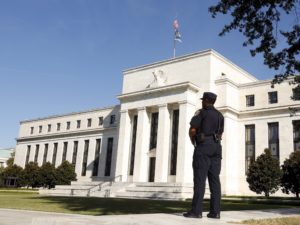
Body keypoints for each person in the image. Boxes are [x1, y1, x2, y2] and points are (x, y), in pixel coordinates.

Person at [183, 92, 224, 219]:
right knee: (215, 180)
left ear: (206, 100)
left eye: (203, 100)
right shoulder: (220, 115)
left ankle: (196, 211)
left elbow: (193, 130)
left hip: (203, 146)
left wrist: (194, 142)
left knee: (200, 180)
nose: (201, 102)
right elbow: (221, 133)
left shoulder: (201, 112)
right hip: (217, 147)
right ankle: (215, 212)